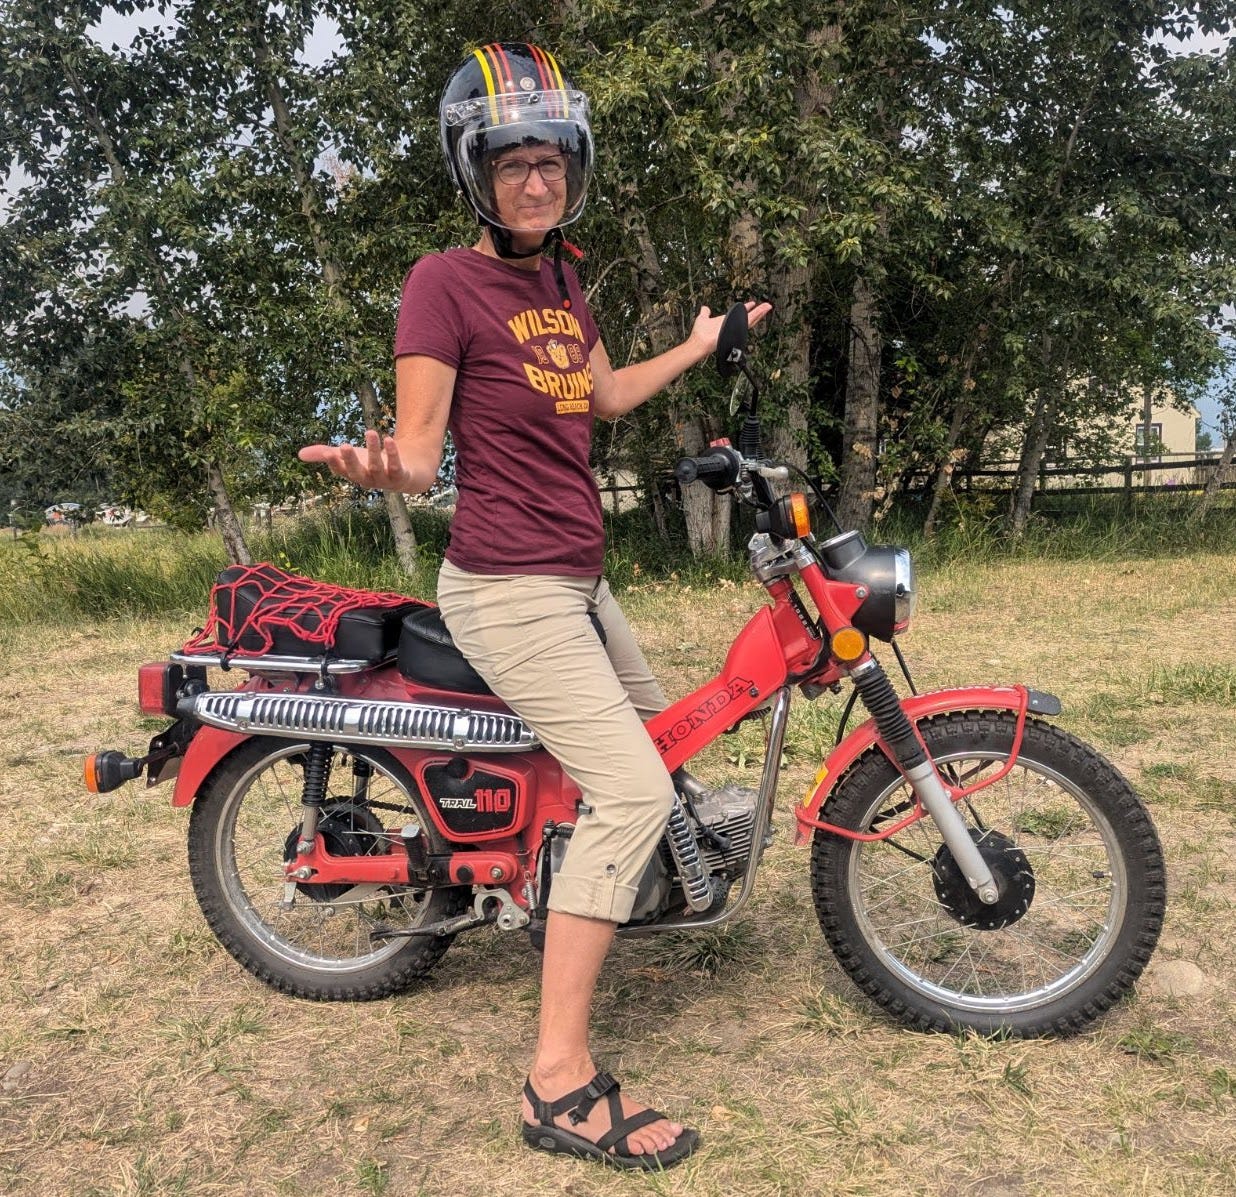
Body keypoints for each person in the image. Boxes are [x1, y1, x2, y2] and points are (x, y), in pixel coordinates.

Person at [300, 41, 770, 1170]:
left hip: (577, 576)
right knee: (632, 791)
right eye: (512, 159)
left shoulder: (562, 277)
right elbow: (419, 456)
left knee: (673, 751)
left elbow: (600, 396)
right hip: (509, 587)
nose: (536, 177)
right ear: (476, 172)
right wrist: (384, 475)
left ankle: (569, 889)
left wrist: (700, 348)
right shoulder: (442, 283)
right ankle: (556, 1079)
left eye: (551, 156)